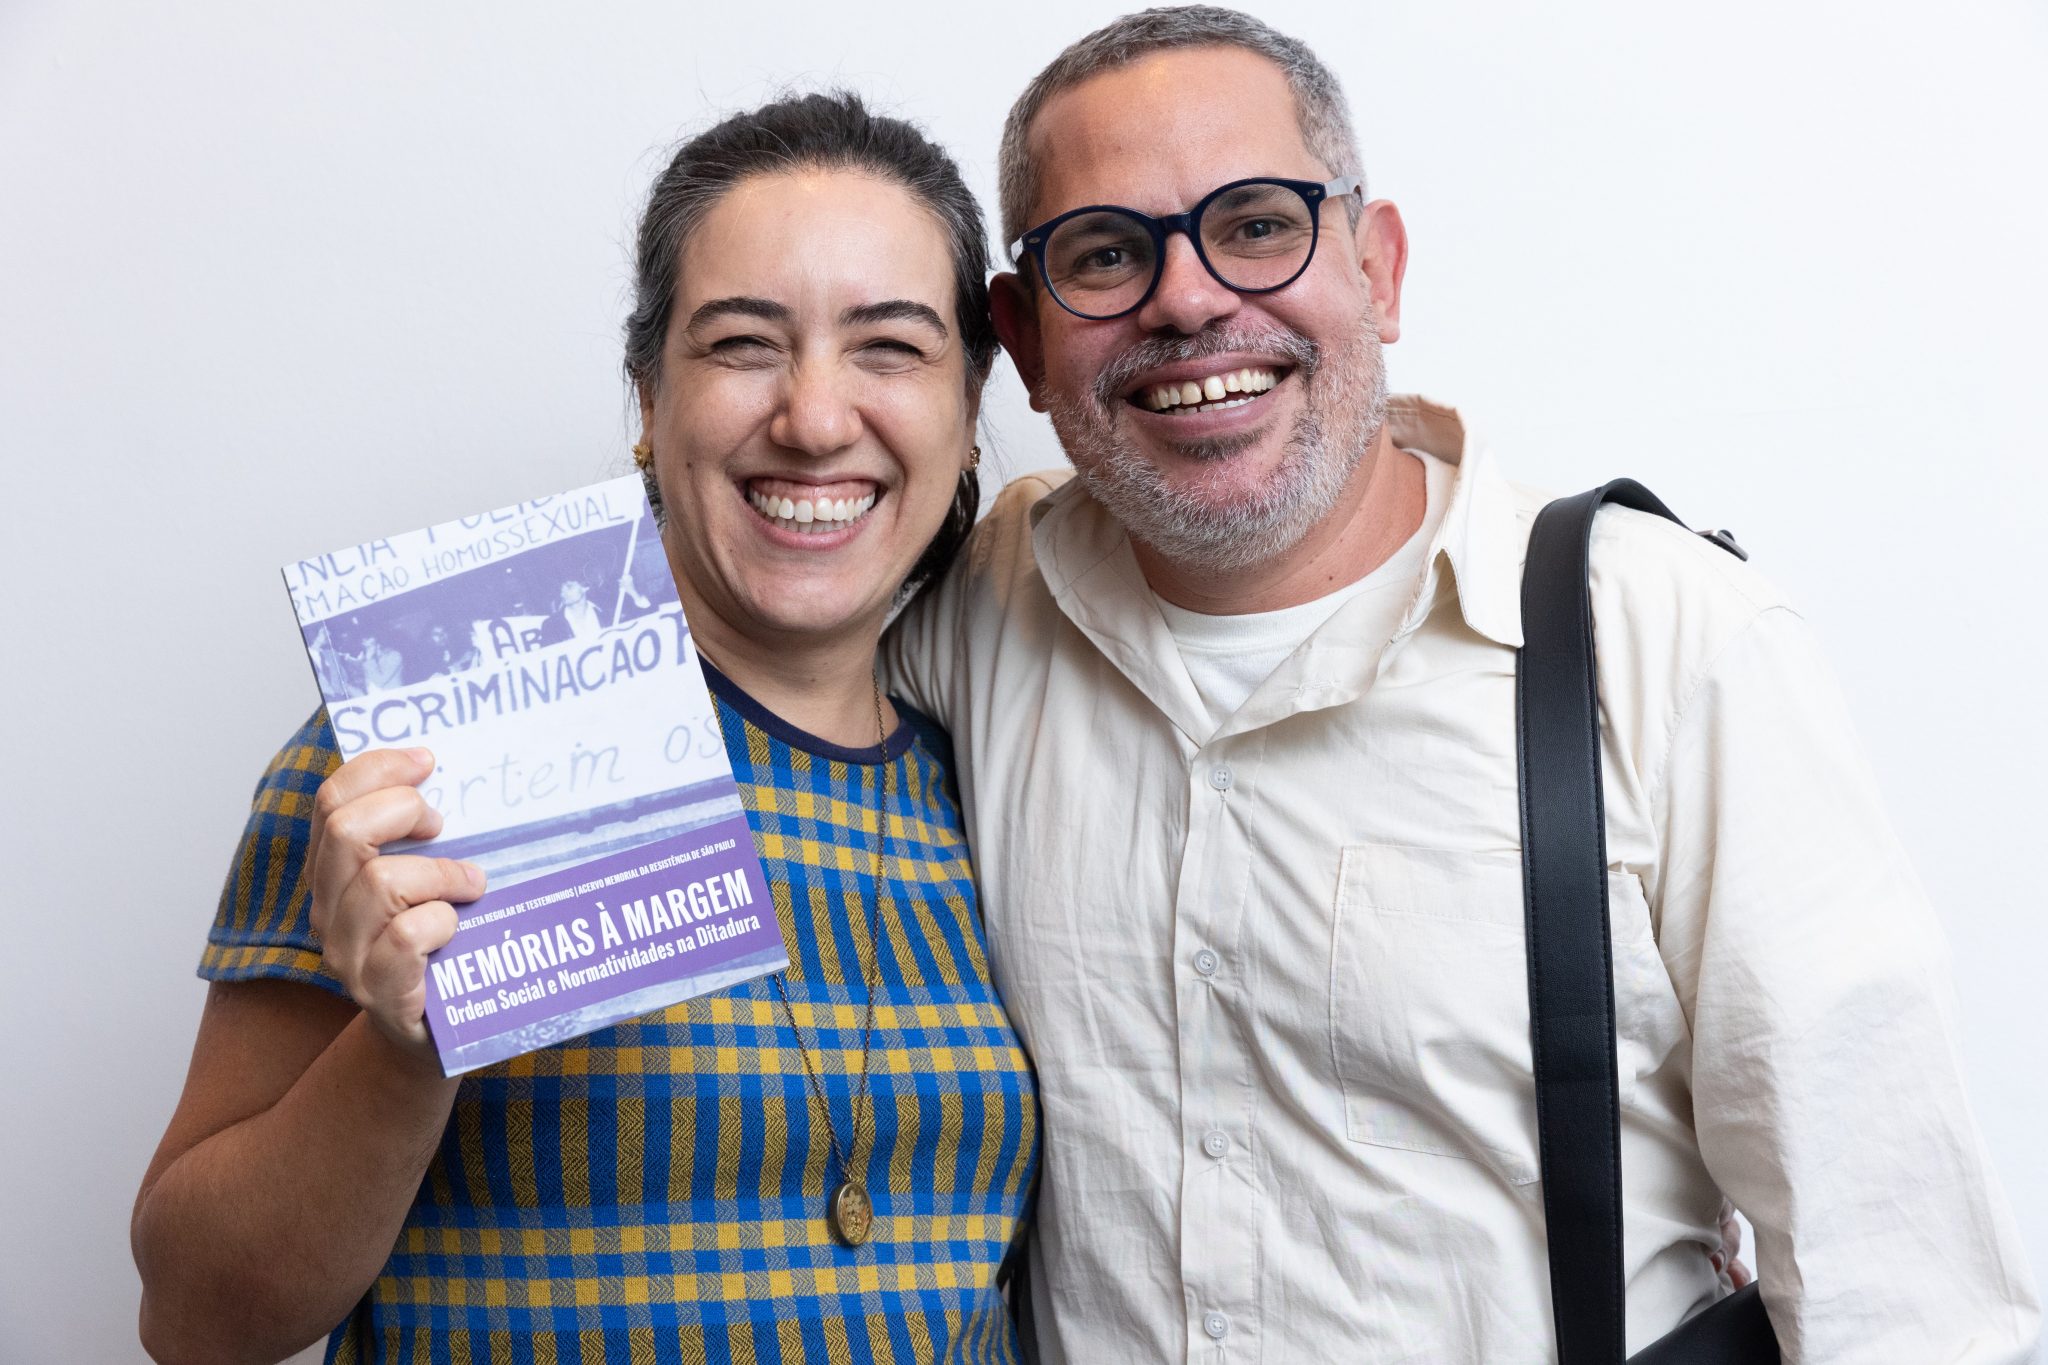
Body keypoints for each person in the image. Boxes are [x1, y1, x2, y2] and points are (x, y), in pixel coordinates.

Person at [887, 7, 2039, 1362]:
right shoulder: (971, 607)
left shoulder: (1667, 644)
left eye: (1256, 225)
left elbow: (1899, 1295)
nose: (1187, 299)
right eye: (1104, 252)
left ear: (1377, 270)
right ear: (1022, 340)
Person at [132, 91, 1037, 1364]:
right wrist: (408, 1045)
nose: (815, 418)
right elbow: (198, 1321)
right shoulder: (429, 751)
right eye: (741, 344)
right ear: (648, 395)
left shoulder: (985, 779)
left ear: (968, 401)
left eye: (889, 347)